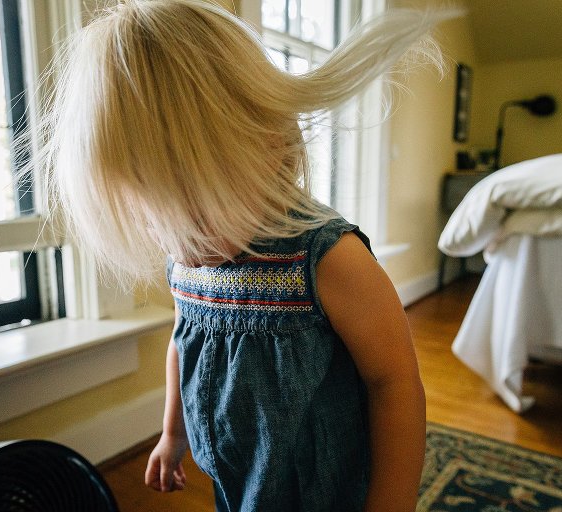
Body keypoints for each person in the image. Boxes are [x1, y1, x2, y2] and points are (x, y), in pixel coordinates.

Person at [36, 1, 453, 510]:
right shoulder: (189, 260)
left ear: (270, 147)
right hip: (243, 471)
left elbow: (394, 382)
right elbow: (184, 339)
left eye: (197, 212)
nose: (181, 246)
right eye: (152, 220)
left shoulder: (328, 260)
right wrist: (171, 434)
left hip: (324, 485)